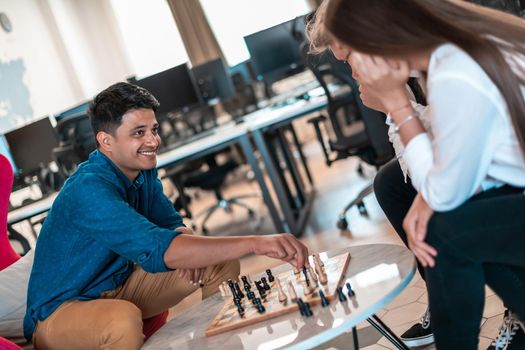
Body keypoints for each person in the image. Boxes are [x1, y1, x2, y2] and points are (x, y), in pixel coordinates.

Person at [24, 82, 310, 350]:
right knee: (121, 319)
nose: (153, 140)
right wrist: (256, 243)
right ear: (106, 141)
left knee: (218, 263)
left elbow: (170, 223)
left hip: (118, 285)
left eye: (154, 129)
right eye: (139, 132)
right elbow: (156, 248)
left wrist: (186, 244)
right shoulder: (87, 190)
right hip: (60, 312)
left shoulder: (141, 171)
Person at [307, 0, 525, 349]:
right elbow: (447, 158)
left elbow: (443, 188)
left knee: (445, 233)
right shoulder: (445, 58)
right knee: (436, 215)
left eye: (352, 59)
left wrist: (397, 106)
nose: (355, 74)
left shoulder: (453, 71)